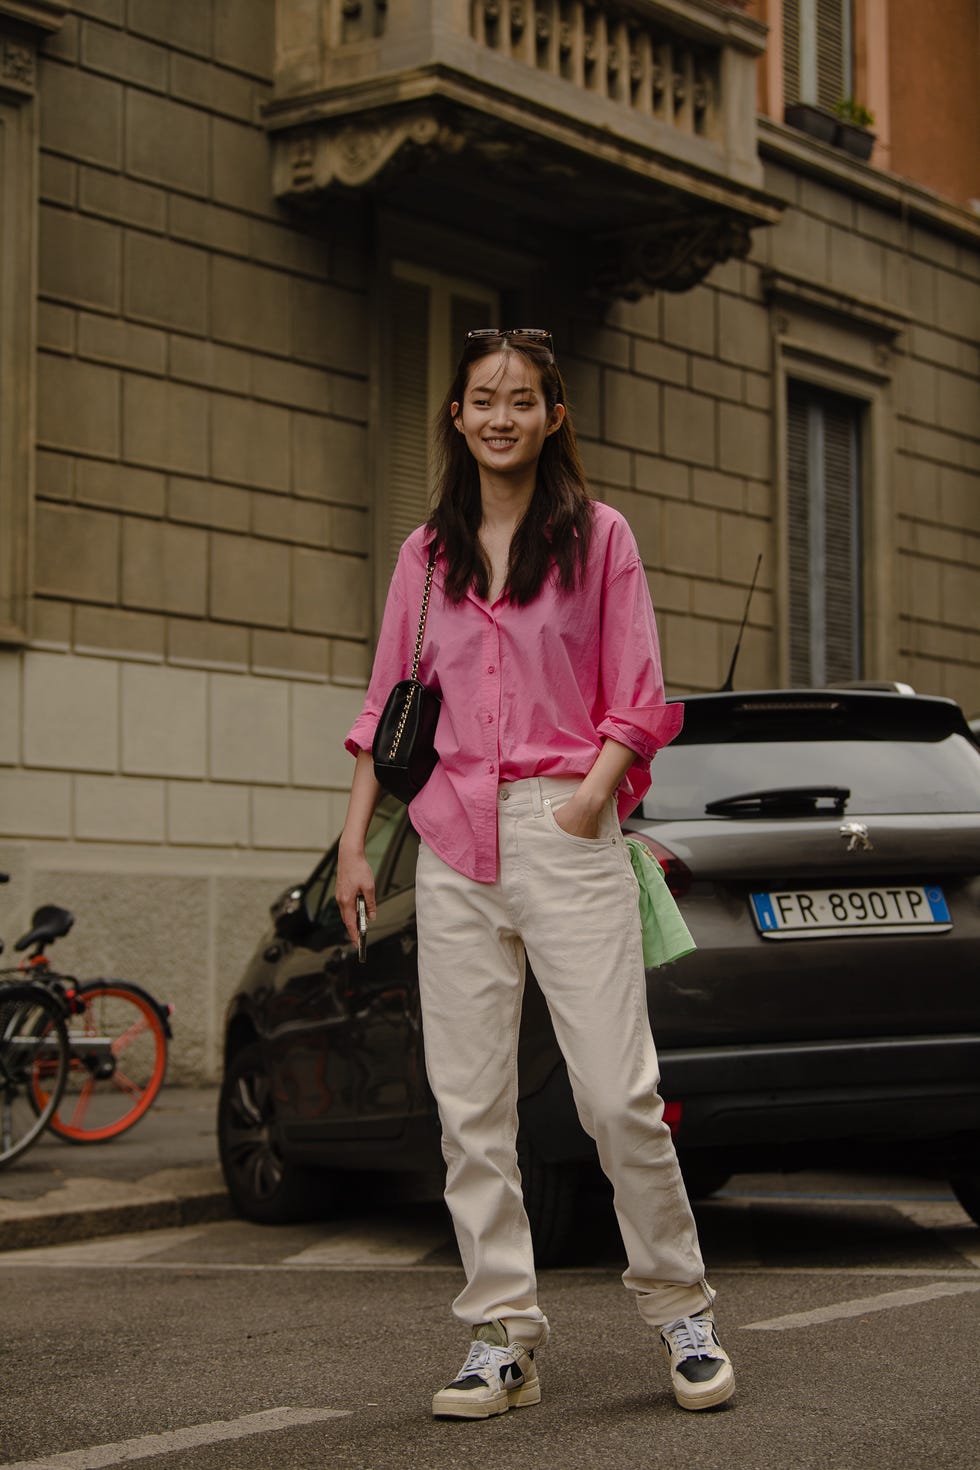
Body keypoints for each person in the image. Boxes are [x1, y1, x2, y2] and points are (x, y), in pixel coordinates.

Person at [337, 328, 734, 1418]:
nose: (500, 416)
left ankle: (679, 1307)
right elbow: (386, 709)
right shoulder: (426, 555)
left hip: (565, 829)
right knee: (468, 1109)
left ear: (552, 414)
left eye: (520, 399)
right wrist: (355, 846)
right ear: (455, 418)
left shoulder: (598, 538)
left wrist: (586, 802)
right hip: (453, 842)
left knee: (619, 1097)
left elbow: (639, 694)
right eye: (481, 400)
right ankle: (500, 1335)